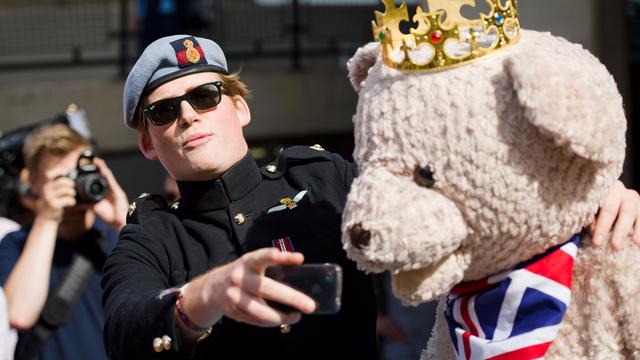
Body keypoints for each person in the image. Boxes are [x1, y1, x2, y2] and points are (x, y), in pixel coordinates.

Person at [102, 35, 640, 360]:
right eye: (163, 111)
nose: (189, 116)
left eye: (204, 95)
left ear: (239, 108)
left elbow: (455, 189)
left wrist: (585, 191)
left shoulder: (320, 179)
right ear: (148, 143)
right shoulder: (152, 235)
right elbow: (124, 327)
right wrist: (201, 299)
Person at [0, 124, 128, 360]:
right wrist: (47, 218)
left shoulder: (120, 236)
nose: (75, 185)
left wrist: (123, 222)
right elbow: (19, 314)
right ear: (34, 184)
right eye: (61, 178)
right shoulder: (16, 243)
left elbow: (168, 298)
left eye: (81, 173)